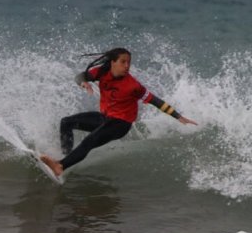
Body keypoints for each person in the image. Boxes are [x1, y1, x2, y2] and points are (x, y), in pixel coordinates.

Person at [40, 47, 198, 177]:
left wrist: (179, 117)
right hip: (106, 118)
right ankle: (65, 157)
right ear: (113, 62)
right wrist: (84, 84)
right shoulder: (102, 72)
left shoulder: (133, 85)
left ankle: (60, 166)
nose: (127, 66)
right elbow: (80, 76)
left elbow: (155, 101)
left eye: (129, 63)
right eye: (123, 62)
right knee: (66, 122)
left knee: (90, 140)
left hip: (121, 124)